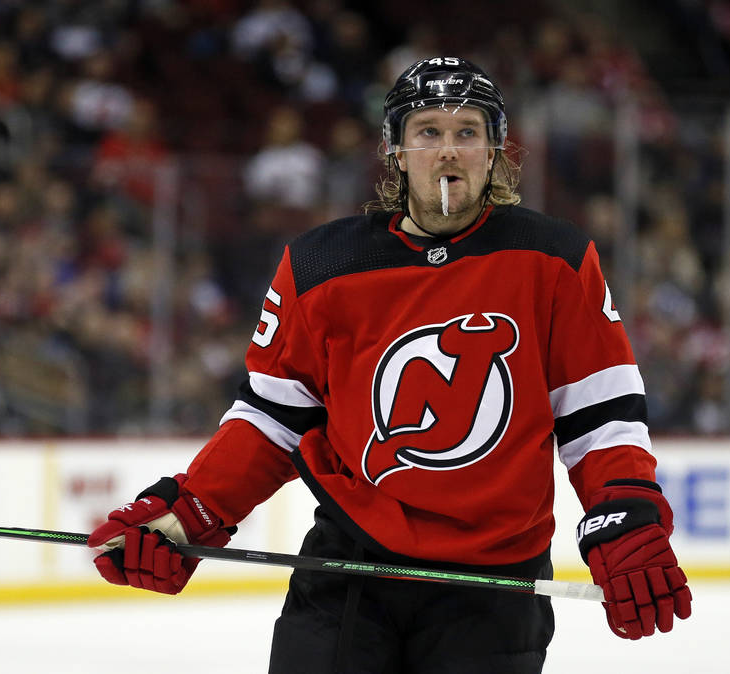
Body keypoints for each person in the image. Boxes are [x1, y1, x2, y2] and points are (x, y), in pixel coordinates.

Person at [87, 57, 692, 673]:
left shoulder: (555, 259)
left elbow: (601, 418)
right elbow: (272, 418)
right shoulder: (322, 265)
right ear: (396, 149)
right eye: (427, 131)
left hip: (493, 586)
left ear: (495, 150)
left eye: (467, 132)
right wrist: (191, 510)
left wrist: (624, 514)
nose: (447, 151)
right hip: (351, 571)